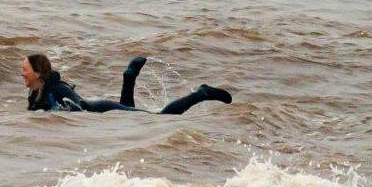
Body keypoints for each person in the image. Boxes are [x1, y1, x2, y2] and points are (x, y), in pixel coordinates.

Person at [21, 54, 233, 115]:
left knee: (160, 118)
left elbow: (81, 107)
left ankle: (201, 93)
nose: (21, 73)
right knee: (131, 118)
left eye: (25, 69)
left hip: (103, 109)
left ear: (37, 73)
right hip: (104, 113)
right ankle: (129, 78)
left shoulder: (56, 89)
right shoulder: (37, 96)